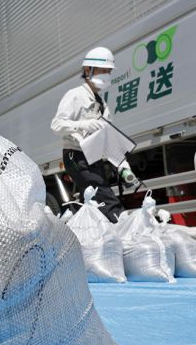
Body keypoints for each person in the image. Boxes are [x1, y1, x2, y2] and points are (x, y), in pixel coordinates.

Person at [51, 47, 138, 222]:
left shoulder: (103, 105)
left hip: (94, 158)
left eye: (109, 71)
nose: (106, 75)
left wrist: (123, 166)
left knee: (92, 202)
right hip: (76, 156)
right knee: (104, 197)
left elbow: (109, 139)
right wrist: (84, 125)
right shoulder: (75, 95)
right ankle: (122, 223)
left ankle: (74, 226)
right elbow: (56, 125)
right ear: (87, 70)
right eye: (102, 70)